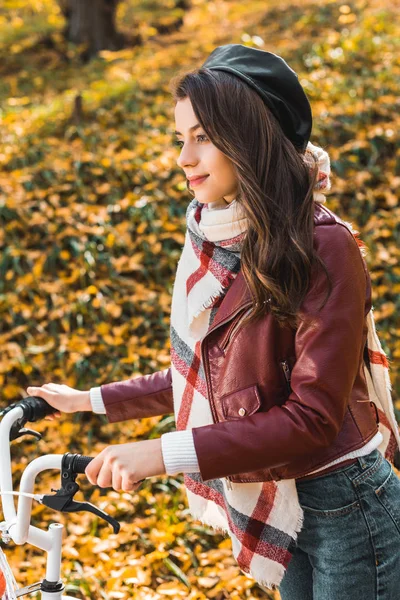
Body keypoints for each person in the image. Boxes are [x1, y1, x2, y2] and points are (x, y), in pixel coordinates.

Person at [26, 44, 400, 599]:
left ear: (251, 138)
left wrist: (163, 453)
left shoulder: (323, 245)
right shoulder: (219, 238)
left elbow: (314, 418)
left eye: (202, 137)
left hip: (346, 505)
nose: (183, 158)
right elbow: (209, 375)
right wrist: (90, 400)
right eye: (181, 139)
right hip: (287, 495)